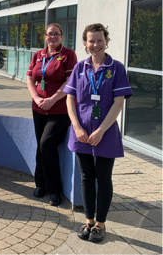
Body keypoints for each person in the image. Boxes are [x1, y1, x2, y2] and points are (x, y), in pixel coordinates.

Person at [63, 23, 132, 242]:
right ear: (85, 43)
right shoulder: (80, 68)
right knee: (86, 176)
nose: (95, 44)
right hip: (81, 132)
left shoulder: (116, 68)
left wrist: (102, 130)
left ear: (106, 41)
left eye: (99, 40)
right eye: (91, 41)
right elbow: (70, 99)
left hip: (105, 132)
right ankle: (88, 221)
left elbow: (118, 103)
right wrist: (76, 126)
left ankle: (100, 224)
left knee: (103, 177)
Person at [27, 23, 77, 206]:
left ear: (61, 36)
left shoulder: (68, 55)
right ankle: (40, 185)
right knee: (40, 147)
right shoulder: (38, 55)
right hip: (38, 107)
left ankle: (55, 190)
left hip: (60, 109)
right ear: (45, 37)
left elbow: (70, 81)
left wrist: (53, 99)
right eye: (50, 34)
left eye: (56, 34)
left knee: (46, 144)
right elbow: (31, 78)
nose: (53, 37)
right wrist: (36, 98)